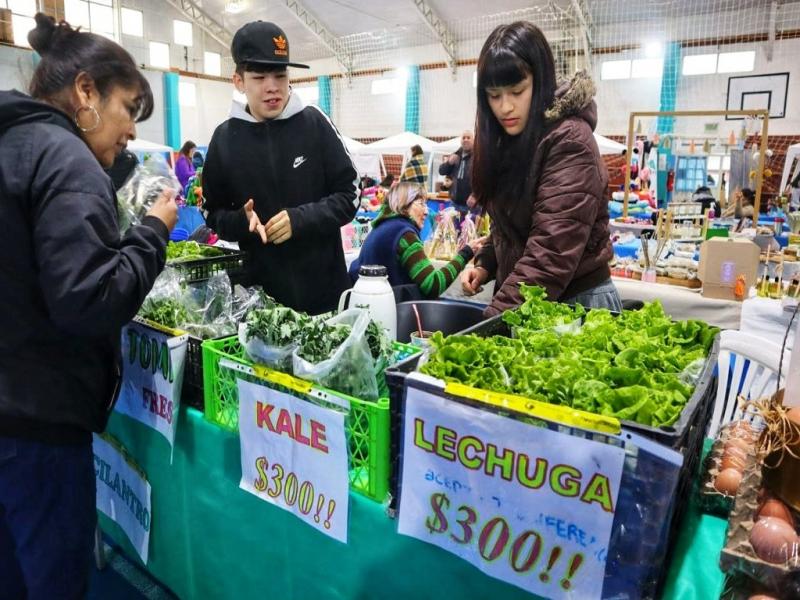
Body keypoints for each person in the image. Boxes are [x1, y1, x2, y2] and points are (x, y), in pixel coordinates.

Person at [0, 13, 177, 599]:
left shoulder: (13, 143)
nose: (130, 130)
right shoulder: (64, 156)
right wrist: (151, 232)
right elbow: (90, 300)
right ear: (85, 92)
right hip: (38, 425)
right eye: (129, 108)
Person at [461, 21, 620, 316]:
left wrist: (491, 323)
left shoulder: (569, 139)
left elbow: (551, 252)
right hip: (532, 300)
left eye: (517, 91)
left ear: (540, 80)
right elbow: (509, 224)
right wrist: (486, 263)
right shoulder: (511, 138)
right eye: (494, 96)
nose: (505, 107)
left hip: (576, 306)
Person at [203, 21, 358, 315]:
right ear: (238, 81)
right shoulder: (224, 139)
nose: (272, 86)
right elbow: (212, 212)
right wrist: (240, 222)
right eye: (259, 77)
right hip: (262, 308)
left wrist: (301, 220)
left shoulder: (315, 123)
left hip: (327, 302)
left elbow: (349, 195)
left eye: (280, 75)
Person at [349, 182, 483, 298]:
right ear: (403, 204)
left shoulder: (382, 227)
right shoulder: (404, 234)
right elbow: (433, 285)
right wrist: (465, 253)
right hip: (392, 312)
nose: (426, 211)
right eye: (421, 204)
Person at [438, 130, 474, 214]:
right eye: (463, 138)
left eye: (468, 138)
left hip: (472, 205)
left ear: (474, 140)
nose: (466, 139)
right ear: (460, 141)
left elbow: (485, 180)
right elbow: (441, 171)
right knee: (453, 227)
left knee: (472, 227)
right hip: (455, 204)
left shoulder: (478, 158)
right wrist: (449, 163)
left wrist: (476, 195)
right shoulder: (455, 155)